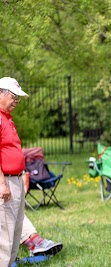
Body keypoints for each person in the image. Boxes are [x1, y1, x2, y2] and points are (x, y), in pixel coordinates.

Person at [0, 77, 28, 267]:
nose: (16, 102)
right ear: (1, 93)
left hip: (16, 180)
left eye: (18, 98)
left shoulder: (7, 118)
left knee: (16, 231)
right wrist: (2, 184)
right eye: (13, 97)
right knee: (5, 237)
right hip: (6, 182)